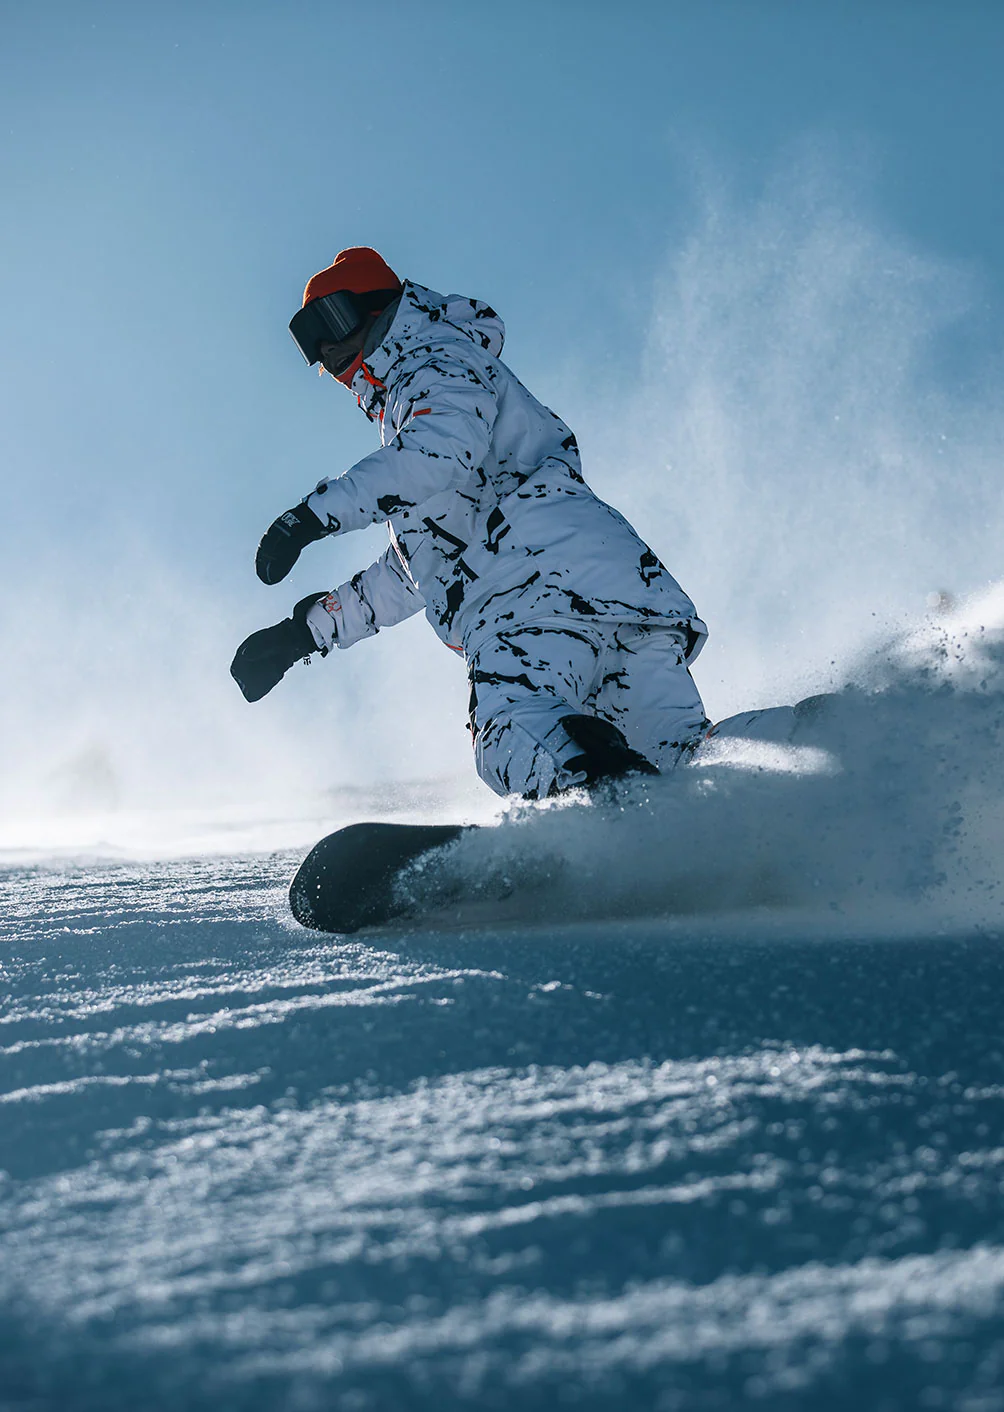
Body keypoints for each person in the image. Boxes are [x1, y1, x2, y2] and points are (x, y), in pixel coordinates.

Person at [231, 247, 710, 799]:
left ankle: (604, 809)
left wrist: (314, 515)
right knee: (682, 757)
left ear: (378, 308)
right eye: (315, 348)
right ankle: (778, 761)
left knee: (513, 730)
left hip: (532, 597)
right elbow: (423, 567)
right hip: (611, 593)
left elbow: (438, 452)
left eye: (333, 323)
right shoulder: (436, 387)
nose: (329, 351)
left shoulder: (431, 360)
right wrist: (305, 632)